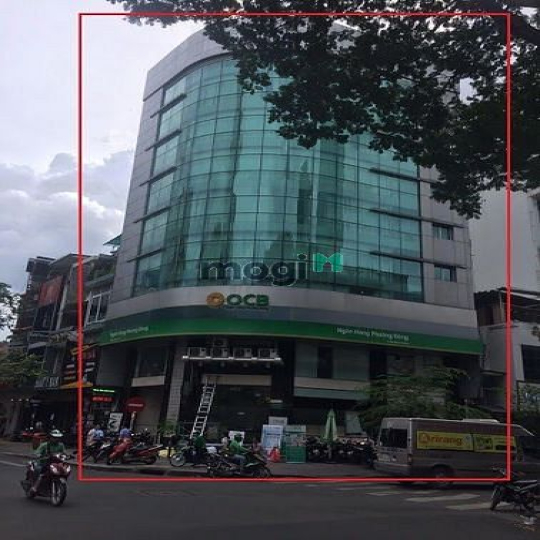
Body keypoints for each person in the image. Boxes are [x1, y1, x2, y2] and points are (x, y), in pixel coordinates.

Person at [30, 430, 67, 494]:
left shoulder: (61, 445)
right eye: (54, 437)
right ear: (50, 437)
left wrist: (66, 456)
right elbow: (37, 452)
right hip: (44, 463)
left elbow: (64, 452)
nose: (56, 439)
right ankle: (35, 487)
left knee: (64, 471)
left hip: (57, 463)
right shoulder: (45, 445)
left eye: (58, 438)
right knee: (42, 474)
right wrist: (39, 455)